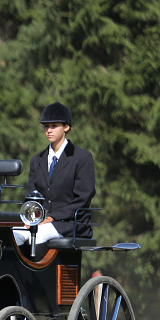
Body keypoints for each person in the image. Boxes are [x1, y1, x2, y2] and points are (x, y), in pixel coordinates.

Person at [13, 102, 95, 246]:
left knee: (37, 237)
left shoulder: (82, 158)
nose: (49, 130)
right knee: (13, 234)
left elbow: (83, 198)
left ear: (66, 127)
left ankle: (37, 268)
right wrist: (31, 219)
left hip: (70, 223)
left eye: (54, 126)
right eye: (46, 126)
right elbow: (31, 196)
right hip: (40, 221)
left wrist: (52, 217)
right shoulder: (37, 160)